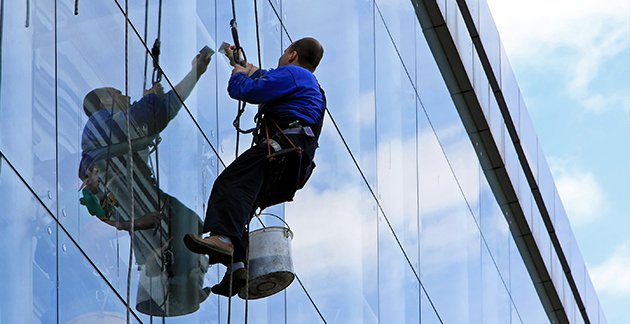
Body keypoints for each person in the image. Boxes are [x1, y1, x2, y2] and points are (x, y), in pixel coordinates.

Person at [183, 37, 325, 297]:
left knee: (231, 183)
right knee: (243, 204)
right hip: (294, 161)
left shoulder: (293, 74)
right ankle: (238, 267)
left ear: (293, 55)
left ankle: (224, 241)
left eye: (284, 53)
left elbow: (249, 90)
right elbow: (262, 76)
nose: (281, 58)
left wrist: (237, 75)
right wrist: (238, 62)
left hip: (285, 147)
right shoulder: (303, 81)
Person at [78, 51, 212, 316]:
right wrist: (151, 99)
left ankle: (170, 287)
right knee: (183, 227)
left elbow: (164, 110)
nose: (127, 98)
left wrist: (195, 73)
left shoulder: (107, 127)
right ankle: (169, 288)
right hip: (132, 198)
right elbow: (147, 116)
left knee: (180, 229)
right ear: (106, 101)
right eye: (120, 94)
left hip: (137, 200)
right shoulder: (98, 123)